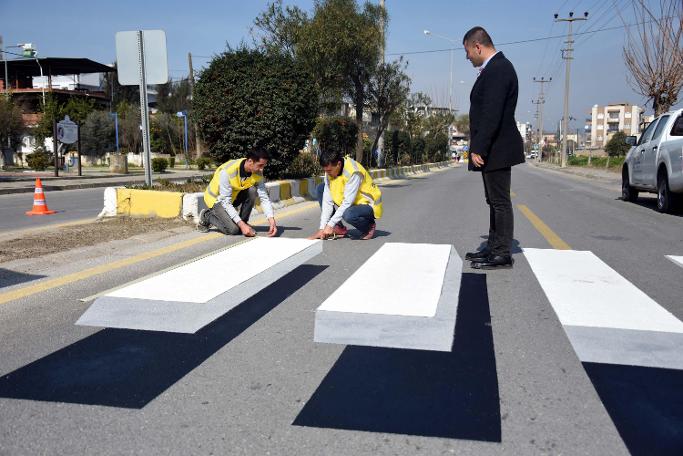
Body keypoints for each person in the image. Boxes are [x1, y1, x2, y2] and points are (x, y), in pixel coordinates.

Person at [463, 26, 524, 269]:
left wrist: (479, 147)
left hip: (497, 147)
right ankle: (493, 246)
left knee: (500, 201)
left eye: (467, 51)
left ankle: (502, 253)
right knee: (493, 201)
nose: (467, 56)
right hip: (495, 147)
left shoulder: (499, 69)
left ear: (478, 46)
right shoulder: (495, 68)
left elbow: (492, 113)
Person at [197, 149, 277, 237]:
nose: (262, 169)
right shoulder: (227, 171)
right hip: (216, 199)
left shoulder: (257, 172)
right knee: (233, 230)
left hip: (232, 197)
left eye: (264, 165)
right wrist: (241, 225)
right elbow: (225, 202)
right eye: (260, 165)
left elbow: (264, 197)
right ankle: (207, 216)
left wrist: (271, 220)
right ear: (250, 161)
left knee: (252, 190)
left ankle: (244, 222)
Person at [308, 150, 383, 240]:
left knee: (348, 214)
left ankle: (369, 226)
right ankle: (338, 227)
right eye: (325, 171)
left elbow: (347, 203)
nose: (327, 173)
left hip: (367, 205)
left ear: (339, 164)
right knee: (321, 189)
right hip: (351, 202)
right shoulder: (330, 170)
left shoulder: (353, 172)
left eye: (329, 170)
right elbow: (327, 201)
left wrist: (330, 225)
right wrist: (322, 227)